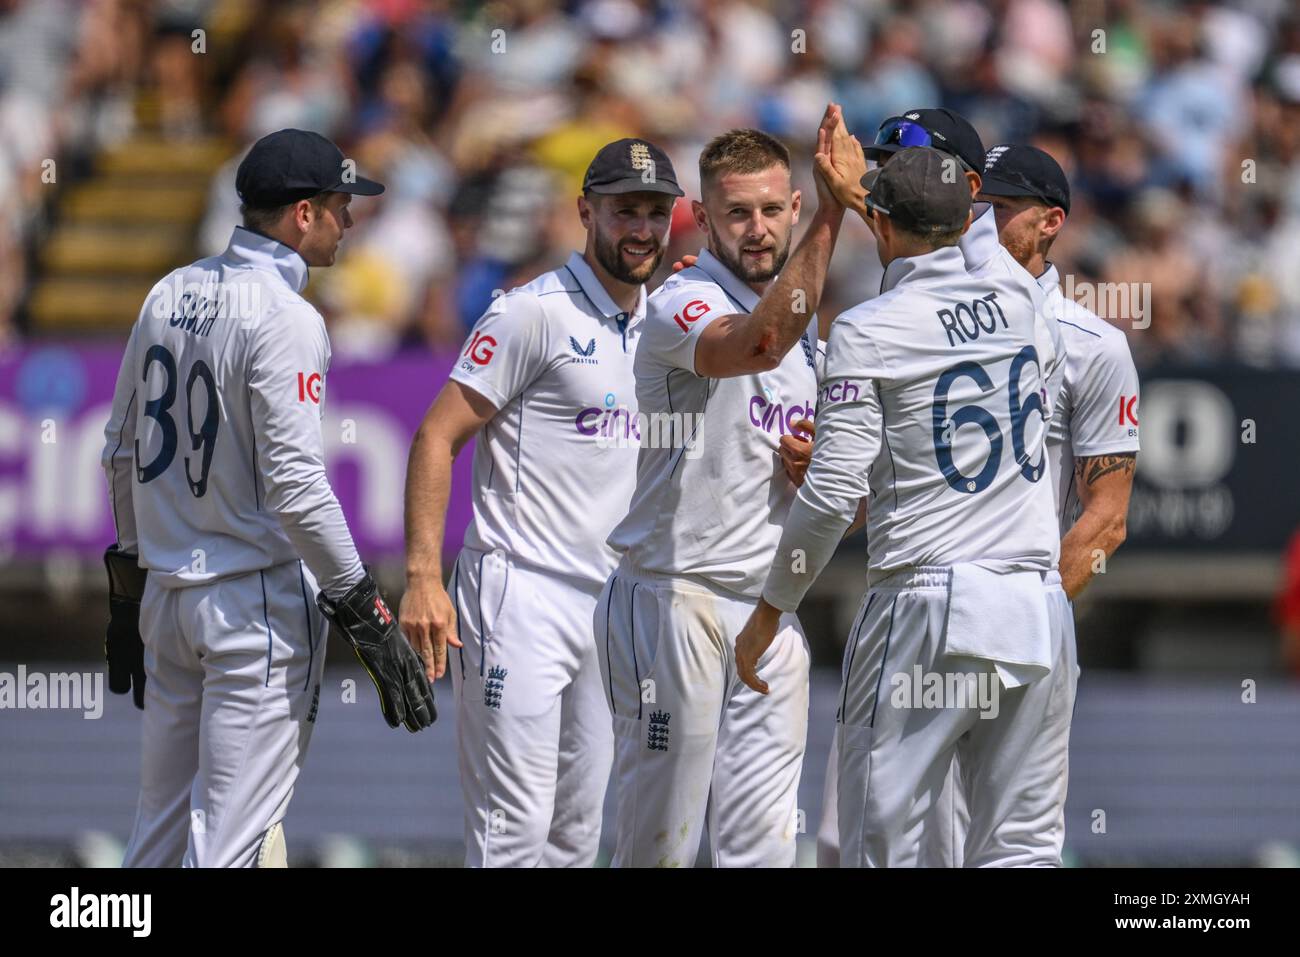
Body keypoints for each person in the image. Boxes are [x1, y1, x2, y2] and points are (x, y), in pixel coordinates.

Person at [102, 128, 433, 869]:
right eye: (342, 207)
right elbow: (295, 484)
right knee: (229, 844)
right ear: (303, 215)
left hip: (167, 598)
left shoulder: (169, 290)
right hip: (251, 605)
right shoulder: (288, 317)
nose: (350, 223)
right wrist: (366, 611)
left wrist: (126, 594)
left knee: (155, 832)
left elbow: (119, 451)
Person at [736, 146, 1073, 867]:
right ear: (969, 217)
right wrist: (867, 197)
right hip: (1037, 606)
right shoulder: (1021, 298)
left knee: (874, 846)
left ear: (881, 227)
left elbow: (830, 495)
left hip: (929, 603)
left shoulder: (866, 329)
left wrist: (770, 609)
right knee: (1022, 849)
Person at [399, 139, 682, 867]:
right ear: (586, 211)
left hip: (609, 604)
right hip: (519, 591)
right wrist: (424, 576)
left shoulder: (667, 323)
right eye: (625, 211)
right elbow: (437, 436)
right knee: (512, 832)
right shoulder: (531, 312)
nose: (642, 229)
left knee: (574, 837)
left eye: (657, 211)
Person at [595, 106, 863, 868]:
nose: (757, 228)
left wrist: (825, 490)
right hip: (672, 595)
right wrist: (837, 216)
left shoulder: (813, 336)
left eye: (774, 210)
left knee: (765, 851)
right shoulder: (685, 301)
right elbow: (757, 342)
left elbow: (842, 514)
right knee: (660, 848)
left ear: (795, 207)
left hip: (770, 610)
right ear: (703, 217)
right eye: (736, 212)